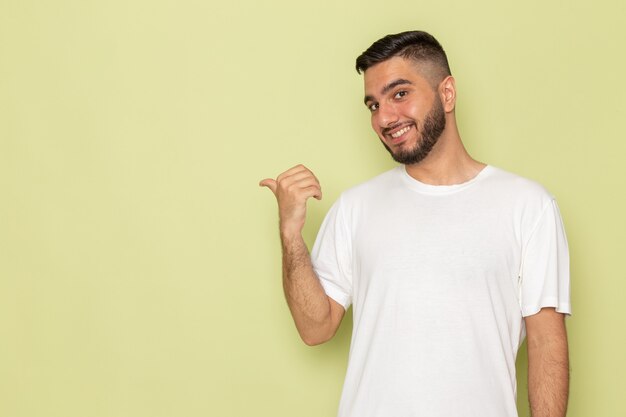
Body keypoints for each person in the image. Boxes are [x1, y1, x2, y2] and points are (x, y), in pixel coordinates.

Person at [260, 30, 570, 417]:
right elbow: (315, 328)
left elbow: (546, 344)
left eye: (400, 94)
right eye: (373, 104)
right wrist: (291, 234)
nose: (385, 117)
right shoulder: (356, 207)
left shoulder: (528, 206)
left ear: (447, 93)